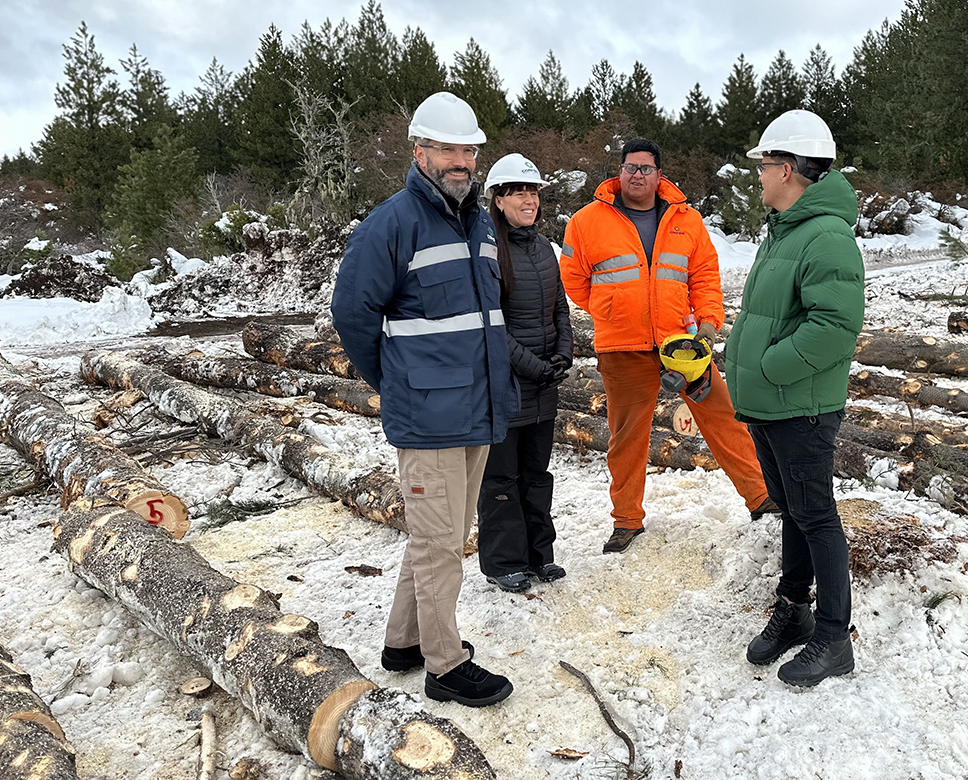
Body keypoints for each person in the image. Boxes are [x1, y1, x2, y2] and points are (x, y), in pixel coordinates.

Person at [331, 91, 517, 707]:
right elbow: (353, 314)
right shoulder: (392, 224)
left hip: (478, 408)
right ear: (420, 152)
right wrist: (397, 383)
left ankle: (404, 644)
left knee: (438, 537)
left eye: (467, 150)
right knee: (441, 547)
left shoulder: (479, 223)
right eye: (447, 149)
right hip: (429, 414)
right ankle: (444, 664)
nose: (460, 161)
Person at [560, 139, 778, 555]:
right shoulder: (586, 221)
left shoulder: (686, 220)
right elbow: (574, 281)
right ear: (618, 172)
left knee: (724, 417)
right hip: (621, 348)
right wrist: (612, 310)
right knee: (626, 437)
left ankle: (761, 498)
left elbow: (704, 277)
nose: (637, 174)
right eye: (629, 167)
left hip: (682, 345)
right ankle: (626, 521)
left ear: (660, 175)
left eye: (645, 168)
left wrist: (709, 324)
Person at [725, 109, 865, 687]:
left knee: (818, 518)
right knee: (795, 513)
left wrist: (768, 366)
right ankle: (795, 610)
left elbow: (835, 324)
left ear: (786, 168)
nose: (758, 174)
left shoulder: (826, 233)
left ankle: (835, 638)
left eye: (763, 164)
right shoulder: (784, 227)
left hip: (799, 404)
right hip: (771, 402)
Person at [476, 153, 573, 593]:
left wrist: (564, 354)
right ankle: (503, 562)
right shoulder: (488, 251)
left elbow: (559, 307)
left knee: (537, 474)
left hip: (542, 386)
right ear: (498, 199)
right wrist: (534, 367)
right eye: (518, 191)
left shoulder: (544, 248)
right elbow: (491, 324)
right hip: (504, 385)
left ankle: (539, 556)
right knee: (501, 477)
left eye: (533, 191)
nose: (528, 199)